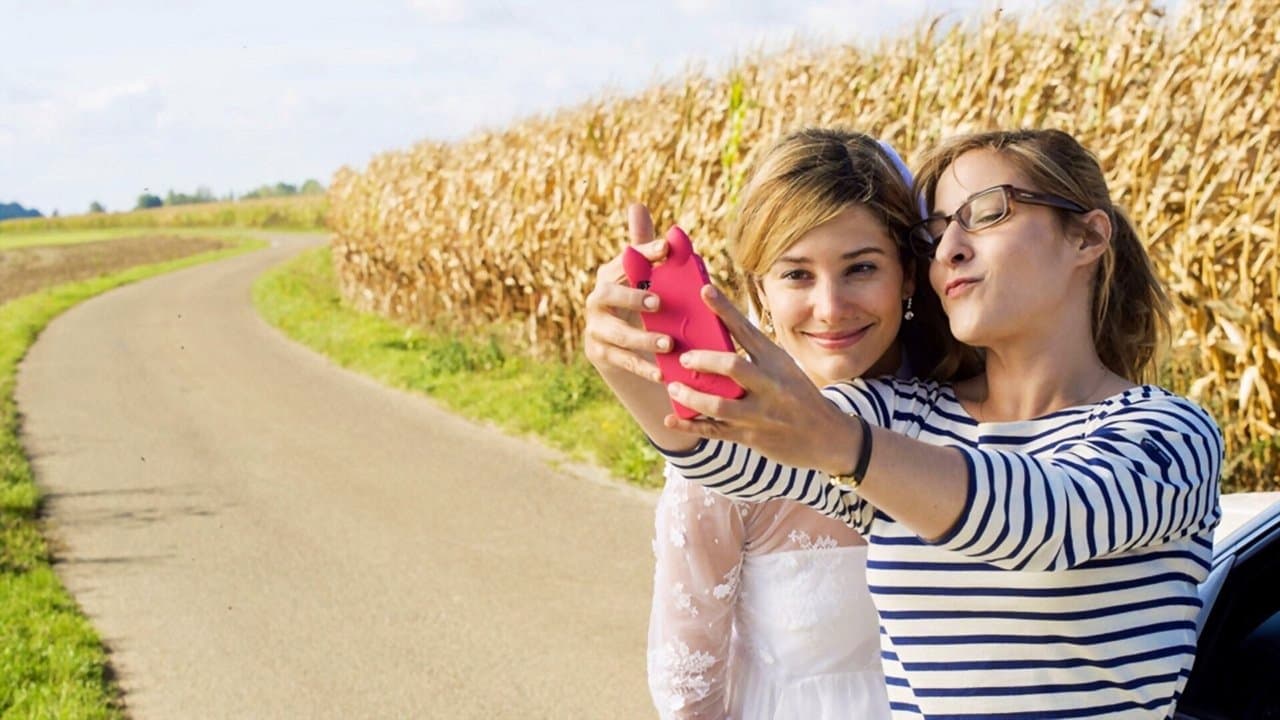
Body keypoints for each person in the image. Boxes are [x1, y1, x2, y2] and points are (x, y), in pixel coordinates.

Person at [585, 129, 1221, 719]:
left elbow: (1044, 522)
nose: (951, 248)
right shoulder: (905, 416)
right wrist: (632, 360)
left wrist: (843, 445)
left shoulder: (1171, 434)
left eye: (988, 212)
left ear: (1086, 237)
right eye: (937, 231)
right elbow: (730, 456)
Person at [609, 128, 964, 719]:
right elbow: (689, 694)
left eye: (861, 268)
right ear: (759, 288)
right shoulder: (724, 459)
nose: (830, 307)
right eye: (797, 274)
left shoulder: (972, 414)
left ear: (907, 274)